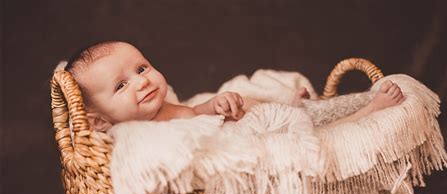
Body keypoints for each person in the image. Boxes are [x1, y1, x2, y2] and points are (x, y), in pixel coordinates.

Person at [64, 41, 404, 132]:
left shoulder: (160, 109)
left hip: (249, 124)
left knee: (303, 116)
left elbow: (190, 113)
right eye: (122, 85)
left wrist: (214, 106)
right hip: (253, 145)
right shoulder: (134, 140)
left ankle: (312, 108)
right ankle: (369, 111)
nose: (142, 81)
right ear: (98, 121)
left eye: (142, 68)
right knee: (315, 132)